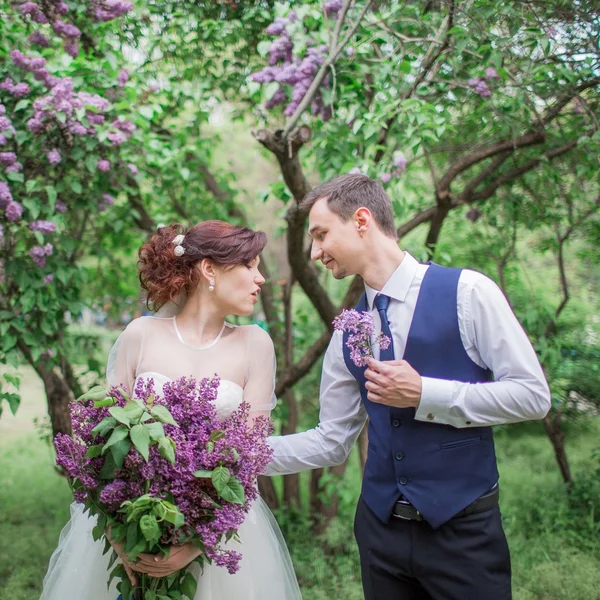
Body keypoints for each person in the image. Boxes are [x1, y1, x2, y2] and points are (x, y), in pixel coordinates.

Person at [267, 174, 551, 600]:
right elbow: (331, 441)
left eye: (321, 234)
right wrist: (239, 456)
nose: (314, 252)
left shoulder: (468, 293)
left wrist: (426, 394)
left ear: (362, 220)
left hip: (464, 536)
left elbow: (532, 395)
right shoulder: (347, 333)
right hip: (380, 538)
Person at [40, 221, 302, 600]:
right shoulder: (139, 335)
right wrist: (121, 538)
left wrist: (194, 544)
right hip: (133, 523)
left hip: (218, 533)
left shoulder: (255, 344)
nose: (260, 278)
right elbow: (106, 445)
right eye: (250, 265)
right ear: (210, 269)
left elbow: (248, 453)